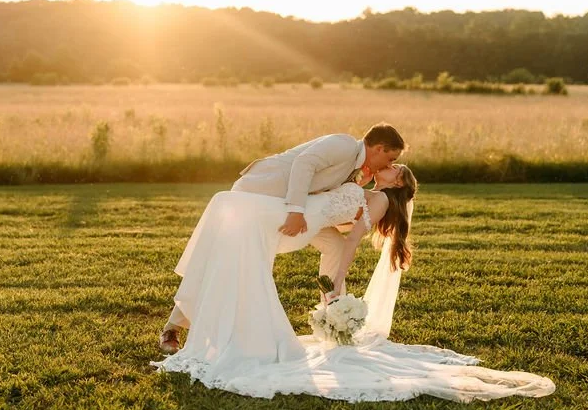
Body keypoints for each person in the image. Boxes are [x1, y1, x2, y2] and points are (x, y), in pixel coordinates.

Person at [151, 165, 556, 403]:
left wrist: (336, 284)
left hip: (296, 227)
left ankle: (190, 324)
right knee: (221, 253)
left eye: (397, 168)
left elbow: (349, 241)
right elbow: (334, 226)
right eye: (394, 162)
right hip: (308, 226)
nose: (393, 165)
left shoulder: (378, 200)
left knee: (227, 238)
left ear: (397, 184)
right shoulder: (367, 189)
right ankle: (182, 322)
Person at [159, 123, 405, 353]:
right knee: (230, 260)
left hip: (294, 208)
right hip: (261, 192)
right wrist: (296, 211)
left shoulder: (358, 171)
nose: (388, 164)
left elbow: (329, 199)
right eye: (390, 158)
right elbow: (304, 163)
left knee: (335, 246)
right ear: (379, 148)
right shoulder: (344, 145)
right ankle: (174, 326)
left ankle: (334, 313)